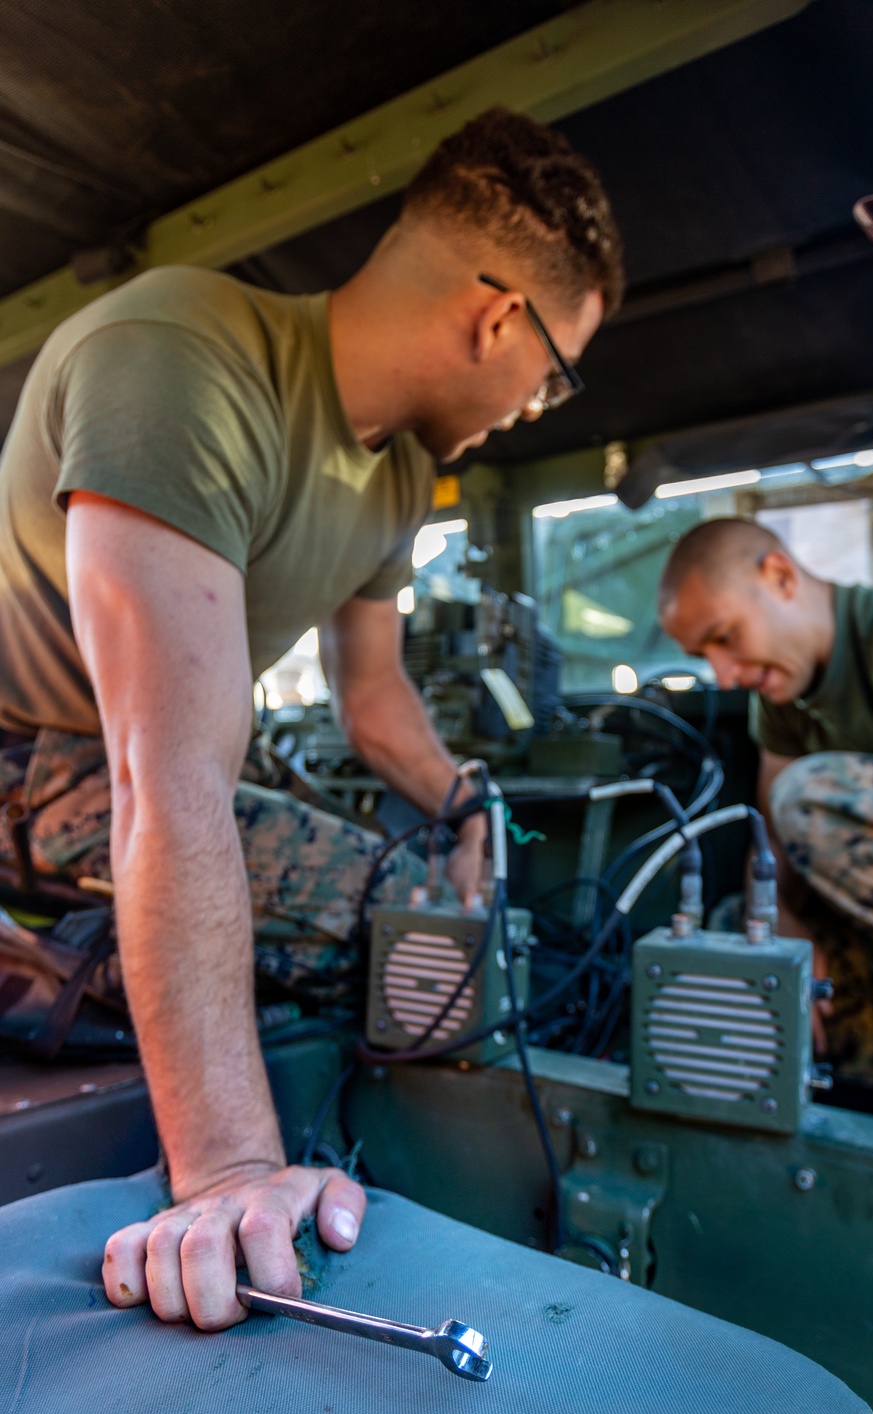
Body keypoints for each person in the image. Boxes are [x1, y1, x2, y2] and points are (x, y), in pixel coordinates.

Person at [0, 107, 624, 1328]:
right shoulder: (177, 354)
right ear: (500, 317)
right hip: (31, 766)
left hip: (121, 775)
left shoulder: (395, 472)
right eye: (555, 373)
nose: (541, 403)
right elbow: (165, 772)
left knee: (433, 916)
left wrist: (466, 809)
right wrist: (228, 1168)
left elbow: (375, 701)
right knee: (387, 923)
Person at [658, 516, 873, 1138]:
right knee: (742, 931)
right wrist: (788, 932)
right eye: (703, 657)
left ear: (781, 577)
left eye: (725, 637)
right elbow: (771, 854)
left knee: (815, 799)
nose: (725, 675)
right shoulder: (785, 692)